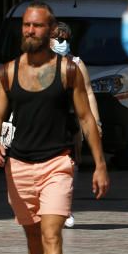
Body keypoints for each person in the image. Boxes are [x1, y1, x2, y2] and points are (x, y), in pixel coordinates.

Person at [0, 2, 109, 254]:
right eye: (26, 25)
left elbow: (85, 118)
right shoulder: (8, 72)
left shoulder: (67, 71)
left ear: (50, 30)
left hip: (58, 162)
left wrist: (99, 164)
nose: (30, 31)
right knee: (33, 237)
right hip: (19, 166)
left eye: (37, 26)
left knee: (51, 233)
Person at [51, 21, 102, 229]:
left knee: (70, 165)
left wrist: (96, 122)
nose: (62, 43)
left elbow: (89, 93)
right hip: (45, 123)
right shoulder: (38, 63)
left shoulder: (76, 64)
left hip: (70, 121)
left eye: (65, 39)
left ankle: (64, 208)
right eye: (58, 39)